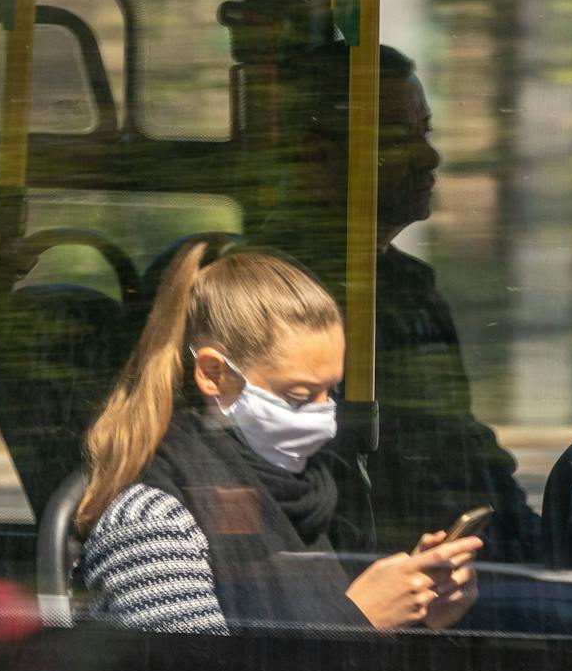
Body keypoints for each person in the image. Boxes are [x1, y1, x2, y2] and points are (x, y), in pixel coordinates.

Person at [75, 240, 481, 635]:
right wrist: (359, 620)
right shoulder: (153, 520)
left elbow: (343, 651)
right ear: (215, 374)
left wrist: (417, 611)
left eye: (331, 392)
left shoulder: (319, 496)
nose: (326, 417)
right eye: (299, 396)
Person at [265, 43, 542, 562]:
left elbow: (462, 446)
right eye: (397, 137)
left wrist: (539, 545)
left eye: (425, 132)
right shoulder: (274, 298)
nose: (430, 157)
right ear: (316, 158)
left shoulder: (409, 288)